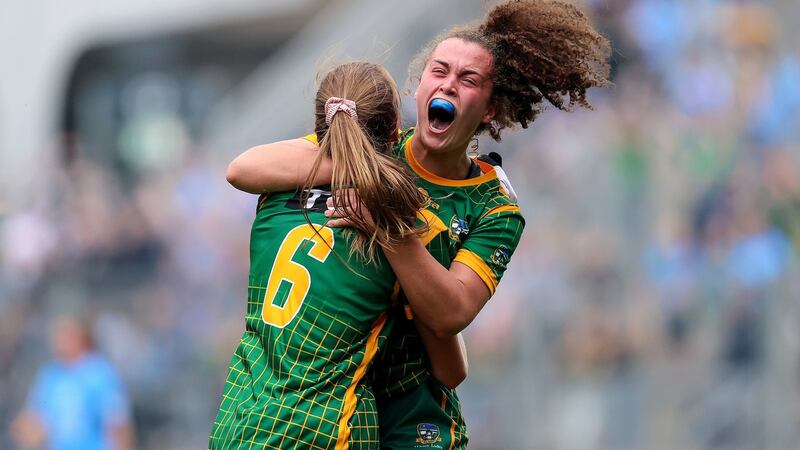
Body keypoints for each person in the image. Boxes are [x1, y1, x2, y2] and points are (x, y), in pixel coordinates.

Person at [226, 1, 611, 447]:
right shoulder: (371, 141)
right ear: (418, 85)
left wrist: (387, 222)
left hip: (415, 419)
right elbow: (245, 168)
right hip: (342, 411)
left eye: (468, 80)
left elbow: (450, 321)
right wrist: (369, 175)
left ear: (489, 109)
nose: (448, 83)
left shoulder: (494, 210)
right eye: (439, 70)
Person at [209, 61, 468, 449]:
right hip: (326, 430)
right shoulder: (397, 231)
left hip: (239, 423)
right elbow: (451, 369)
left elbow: (240, 168)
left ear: (316, 132)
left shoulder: (273, 198)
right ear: (396, 133)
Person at [11, 315, 134, 450]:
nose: (57, 341)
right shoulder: (51, 375)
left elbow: (118, 423)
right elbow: (35, 416)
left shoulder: (101, 374)